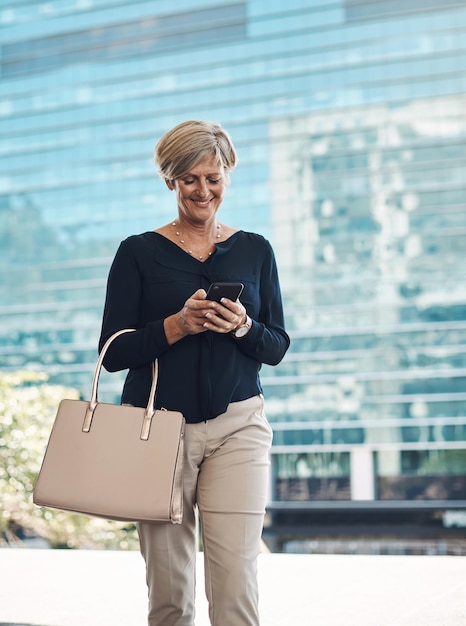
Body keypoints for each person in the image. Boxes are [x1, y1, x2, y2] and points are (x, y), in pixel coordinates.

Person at [99, 120, 290, 626]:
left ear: (227, 176)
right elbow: (113, 352)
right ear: (170, 180)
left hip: (239, 428)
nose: (203, 191)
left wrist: (245, 327)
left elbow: (276, 346)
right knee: (169, 594)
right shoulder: (137, 252)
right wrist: (177, 326)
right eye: (190, 180)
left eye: (214, 178)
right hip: (157, 433)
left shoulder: (256, 249)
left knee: (236, 588)